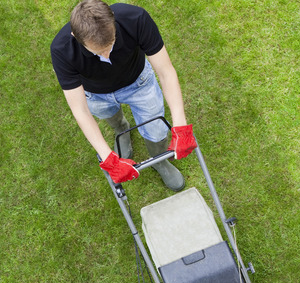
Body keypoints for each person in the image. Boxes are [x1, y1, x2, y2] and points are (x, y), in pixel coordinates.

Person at [50, 0, 198, 190]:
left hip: (139, 83)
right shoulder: (62, 49)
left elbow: (166, 72)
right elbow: (80, 109)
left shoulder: (136, 18)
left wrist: (181, 125)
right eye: (97, 51)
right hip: (96, 94)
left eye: (110, 44)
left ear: (114, 20)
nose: (106, 55)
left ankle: (159, 161)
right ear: (75, 36)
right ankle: (122, 130)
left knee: (157, 130)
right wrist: (108, 158)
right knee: (109, 116)